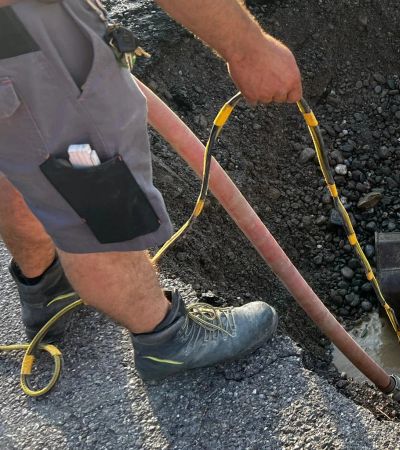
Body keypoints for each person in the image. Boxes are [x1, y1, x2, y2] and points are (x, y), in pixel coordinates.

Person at [0, 0, 302, 380]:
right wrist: (250, 50)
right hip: (29, 36)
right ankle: (165, 338)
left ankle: (47, 285)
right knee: (98, 190)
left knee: (24, 152)